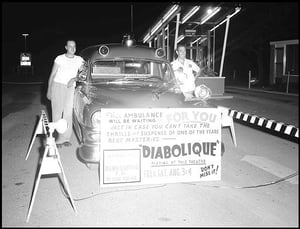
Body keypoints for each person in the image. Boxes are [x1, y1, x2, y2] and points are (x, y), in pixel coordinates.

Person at [46, 40, 84, 147]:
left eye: (74, 46)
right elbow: (52, 75)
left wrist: (74, 78)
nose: (72, 48)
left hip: (70, 87)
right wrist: (49, 90)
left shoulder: (79, 60)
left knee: (68, 113)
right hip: (58, 85)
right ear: (66, 47)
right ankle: (58, 137)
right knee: (57, 112)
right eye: (70, 46)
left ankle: (66, 138)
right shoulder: (60, 58)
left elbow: (84, 72)